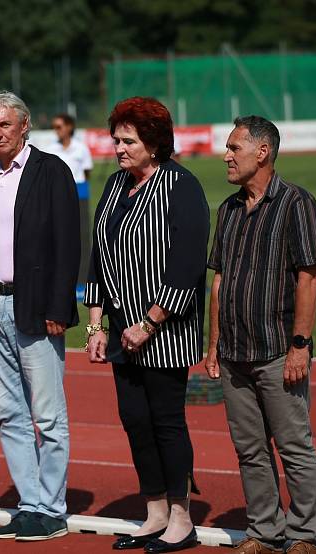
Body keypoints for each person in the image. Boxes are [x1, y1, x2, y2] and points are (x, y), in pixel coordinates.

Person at [84, 97, 209, 553]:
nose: (117, 147)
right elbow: (97, 256)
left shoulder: (181, 186)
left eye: (127, 140)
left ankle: (181, 516)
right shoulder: (116, 186)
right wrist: (96, 325)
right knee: (134, 420)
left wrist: (150, 322)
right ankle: (154, 509)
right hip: (121, 332)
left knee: (166, 421)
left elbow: (188, 265)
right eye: (115, 139)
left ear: (154, 143)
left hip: (165, 332)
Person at [205, 116, 316, 554]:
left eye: (235, 148)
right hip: (235, 352)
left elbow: (309, 278)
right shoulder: (229, 210)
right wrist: (214, 341)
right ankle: (264, 531)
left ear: (263, 153)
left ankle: (306, 535)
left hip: (278, 349)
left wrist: (300, 345)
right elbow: (219, 281)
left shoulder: (297, 204)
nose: (226, 156)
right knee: (250, 449)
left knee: (294, 446)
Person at [0, 91, 81, 542]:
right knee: (7, 412)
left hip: (35, 306)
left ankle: (52, 510)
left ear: (24, 125)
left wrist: (59, 307)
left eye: (4, 125)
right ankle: (29, 503)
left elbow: (68, 245)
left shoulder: (51, 170)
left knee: (48, 416)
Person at [45, 113, 94, 184]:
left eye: (59, 127)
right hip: (59, 187)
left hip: (79, 187)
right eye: (54, 127)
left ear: (69, 127)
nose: (56, 130)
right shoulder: (50, 149)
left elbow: (87, 171)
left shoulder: (81, 148)